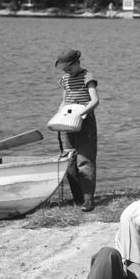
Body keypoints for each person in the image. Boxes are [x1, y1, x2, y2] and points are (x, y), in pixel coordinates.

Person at [54, 47, 100, 212]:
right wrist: (60, 116)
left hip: (85, 122)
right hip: (68, 123)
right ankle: (77, 197)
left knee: (85, 160)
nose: (66, 71)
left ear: (77, 62)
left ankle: (88, 199)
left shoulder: (88, 77)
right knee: (70, 160)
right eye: (64, 69)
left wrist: (81, 113)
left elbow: (94, 101)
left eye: (69, 67)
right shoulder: (65, 79)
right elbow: (64, 101)